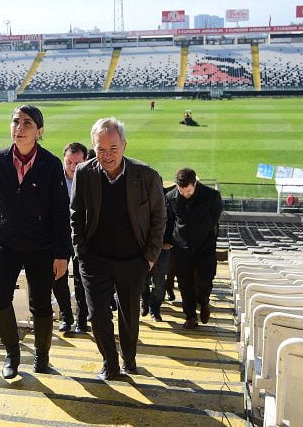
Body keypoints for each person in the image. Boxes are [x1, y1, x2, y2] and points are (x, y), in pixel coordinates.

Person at [71, 117, 166, 380]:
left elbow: (159, 217)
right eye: (100, 149)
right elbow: (76, 213)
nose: (107, 155)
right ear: (93, 147)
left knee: (129, 316)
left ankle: (129, 358)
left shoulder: (146, 175)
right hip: (94, 259)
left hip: (133, 260)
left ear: (124, 145)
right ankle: (109, 364)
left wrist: (149, 256)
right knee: (97, 316)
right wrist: (81, 252)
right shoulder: (84, 172)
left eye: (113, 148)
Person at [0, 105, 70, 379]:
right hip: (4, 241)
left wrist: (62, 253)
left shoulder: (51, 164)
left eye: (27, 123)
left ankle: (42, 356)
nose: (19, 127)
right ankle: (12, 353)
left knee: (41, 305)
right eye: (16, 121)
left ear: (39, 131)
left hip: (40, 245)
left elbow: (60, 210)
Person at [165, 168, 222, 329]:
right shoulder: (170, 197)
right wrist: (167, 240)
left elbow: (214, 219)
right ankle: (190, 316)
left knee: (205, 280)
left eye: (188, 191)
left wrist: (202, 233)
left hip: (204, 246)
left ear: (195, 184)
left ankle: (204, 302)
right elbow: (169, 221)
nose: (185, 194)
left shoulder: (212, 196)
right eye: (181, 191)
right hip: (180, 247)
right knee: (184, 283)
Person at [52, 142, 89, 333]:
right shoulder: (54, 178)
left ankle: (82, 320)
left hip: (83, 235)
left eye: (77, 163)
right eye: (69, 162)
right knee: (58, 278)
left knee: (83, 280)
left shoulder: (90, 178)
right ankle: (66, 317)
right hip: (60, 234)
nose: (73, 167)